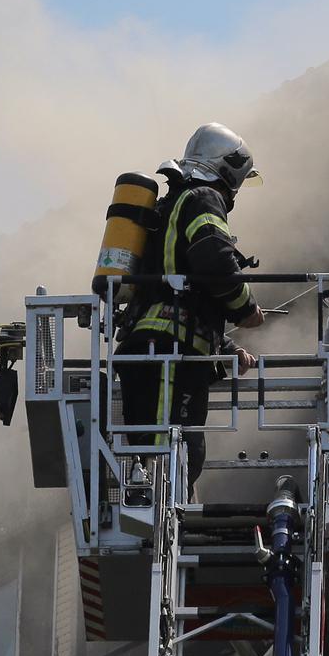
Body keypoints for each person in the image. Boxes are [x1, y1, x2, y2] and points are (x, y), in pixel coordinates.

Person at [115, 123, 265, 489]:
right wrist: (247, 309)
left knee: (155, 457)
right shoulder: (203, 198)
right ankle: (161, 522)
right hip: (171, 355)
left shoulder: (172, 203)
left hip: (151, 348)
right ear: (228, 168)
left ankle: (155, 516)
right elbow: (214, 264)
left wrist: (228, 348)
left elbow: (180, 289)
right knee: (175, 455)